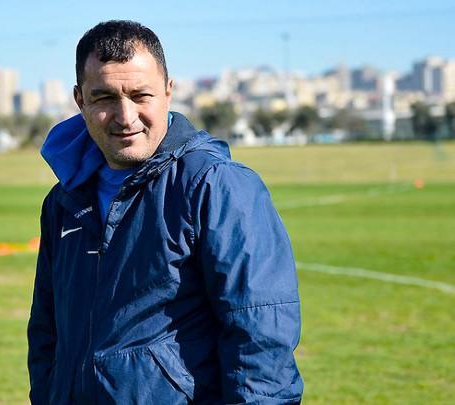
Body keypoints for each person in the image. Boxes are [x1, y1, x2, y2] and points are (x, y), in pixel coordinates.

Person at [28, 20, 303, 404]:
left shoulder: (216, 185)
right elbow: (47, 333)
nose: (125, 116)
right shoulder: (64, 201)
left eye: (141, 95)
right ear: (80, 100)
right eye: (104, 98)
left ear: (168, 92)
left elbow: (260, 335)